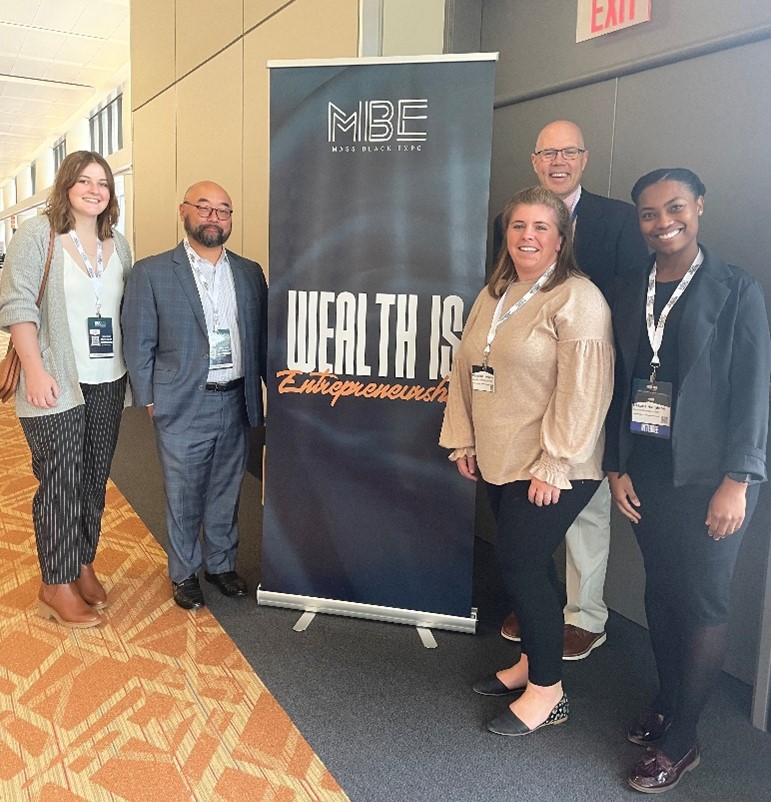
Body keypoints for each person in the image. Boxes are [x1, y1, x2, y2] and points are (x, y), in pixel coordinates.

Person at [605, 168, 770, 793]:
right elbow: (618, 383)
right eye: (649, 214)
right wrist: (615, 464)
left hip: (712, 479)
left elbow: (755, 391)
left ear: (699, 206)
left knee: (701, 601)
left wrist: (739, 479)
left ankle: (683, 741)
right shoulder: (629, 288)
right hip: (647, 470)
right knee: (662, 590)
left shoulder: (735, 288)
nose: (663, 222)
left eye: (675, 207)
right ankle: (670, 696)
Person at [441, 185, 614, 736]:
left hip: (553, 464)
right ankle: (530, 664)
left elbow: (585, 390)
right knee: (528, 566)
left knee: (520, 563)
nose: (528, 236)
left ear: (561, 239)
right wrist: (465, 439)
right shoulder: (495, 292)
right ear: (506, 234)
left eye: (542, 227)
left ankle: (549, 691)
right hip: (501, 456)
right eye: (519, 226)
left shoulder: (577, 297)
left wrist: (554, 463)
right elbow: (466, 367)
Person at [492, 120, 648, 660]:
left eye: (568, 152)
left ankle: (583, 615)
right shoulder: (510, 219)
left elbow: (632, 305)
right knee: (527, 508)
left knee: (584, 506)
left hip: (588, 382)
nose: (558, 161)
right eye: (548, 153)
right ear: (535, 161)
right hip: (527, 386)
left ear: (583, 159)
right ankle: (538, 602)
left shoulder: (618, 220)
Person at [0, 151, 133, 628]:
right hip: (56, 378)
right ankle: (55, 582)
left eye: (103, 183)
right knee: (60, 480)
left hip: (109, 379)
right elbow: (17, 304)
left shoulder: (118, 243)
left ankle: (80, 561)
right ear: (66, 185)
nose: (95, 190)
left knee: (93, 479)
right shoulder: (38, 234)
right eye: (84, 180)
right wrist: (35, 371)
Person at [121, 181, 267, 610]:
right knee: (184, 493)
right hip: (183, 400)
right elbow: (138, 339)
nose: (214, 217)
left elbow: (261, 337)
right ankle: (184, 573)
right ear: (183, 211)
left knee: (226, 488)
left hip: (236, 398)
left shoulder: (250, 272)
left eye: (223, 210)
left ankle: (220, 564)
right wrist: (149, 398)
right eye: (204, 208)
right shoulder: (152, 271)